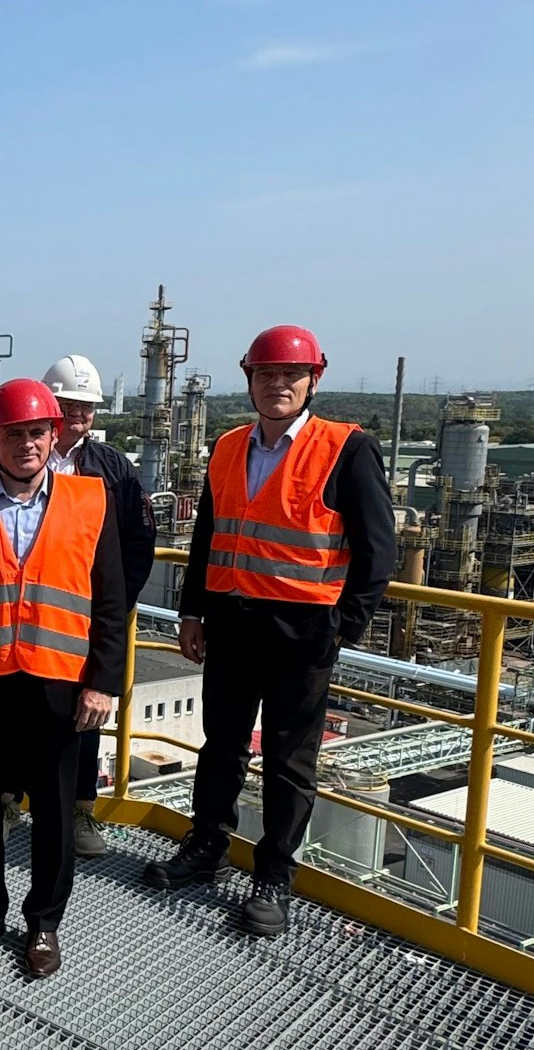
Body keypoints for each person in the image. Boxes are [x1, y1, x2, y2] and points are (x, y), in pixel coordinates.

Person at [144, 326, 393, 938]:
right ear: (249, 378)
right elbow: (208, 536)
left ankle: (273, 876)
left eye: (290, 374)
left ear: (314, 379)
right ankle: (207, 847)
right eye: (265, 373)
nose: (277, 384)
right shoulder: (229, 447)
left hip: (303, 632)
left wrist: (343, 627)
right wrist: (192, 611)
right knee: (221, 746)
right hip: (231, 623)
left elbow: (378, 549)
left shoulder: (346, 449)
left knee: (287, 761)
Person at [0, 378, 128, 979]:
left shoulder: (90, 501)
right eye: (13, 434)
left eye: (36, 433)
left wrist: (103, 682)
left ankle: (44, 923)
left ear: (53, 434)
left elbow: (111, 603)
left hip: (58, 686)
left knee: (56, 813)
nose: (26, 444)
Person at [0, 353, 158, 854]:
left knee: (85, 717)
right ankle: (7, 800)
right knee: (12, 713)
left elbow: (136, 543)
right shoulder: (2, 460)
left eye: (86, 407)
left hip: (76, 620)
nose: (78, 415)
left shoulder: (112, 469)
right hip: (12, 616)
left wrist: (109, 606)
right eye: (69, 405)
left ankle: (79, 813)